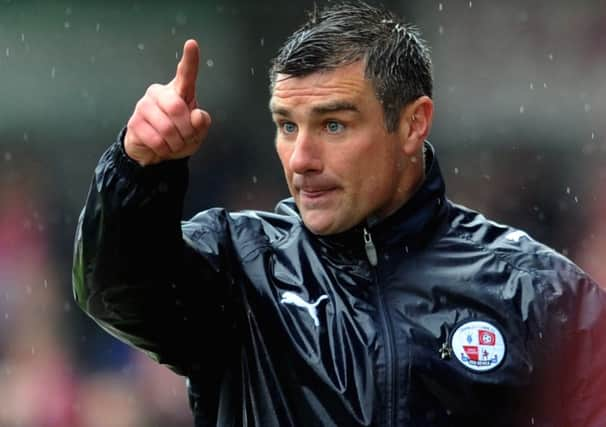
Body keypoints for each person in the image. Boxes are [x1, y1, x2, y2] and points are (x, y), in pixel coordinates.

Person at [72, 2, 606, 426]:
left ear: (413, 124)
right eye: (287, 126)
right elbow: (115, 292)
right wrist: (138, 169)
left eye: (333, 125)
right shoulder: (241, 268)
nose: (301, 159)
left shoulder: (540, 293)